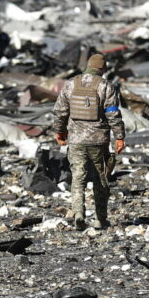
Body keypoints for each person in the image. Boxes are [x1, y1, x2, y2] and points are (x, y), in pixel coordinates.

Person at [53, 53, 126, 230]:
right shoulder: (105, 86)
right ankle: (100, 219)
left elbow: (60, 110)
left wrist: (59, 131)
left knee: (78, 178)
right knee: (100, 179)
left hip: (76, 140)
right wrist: (120, 137)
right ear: (103, 68)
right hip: (98, 141)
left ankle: (79, 214)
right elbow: (113, 114)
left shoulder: (70, 84)